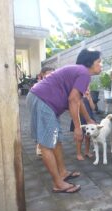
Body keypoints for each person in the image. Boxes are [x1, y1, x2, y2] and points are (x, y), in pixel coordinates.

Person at [26, 48, 102, 193]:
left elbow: (77, 101)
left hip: (43, 100)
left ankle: (62, 173)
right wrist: (78, 128)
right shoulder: (84, 73)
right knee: (46, 144)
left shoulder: (80, 72)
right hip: (43, 100)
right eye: (99, 62)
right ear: (90, 63)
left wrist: (88, 118)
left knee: (56, 140)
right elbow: (72, 100)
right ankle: (58, 183)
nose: (101, 65)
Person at [70, 88, 97, 160]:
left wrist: (89, 98)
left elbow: (93, 108)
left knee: (88, 137)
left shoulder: (88, 97)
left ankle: (87, 152)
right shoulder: (77, 97)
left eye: (88, 88)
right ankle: (78, 154)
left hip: (89, 119)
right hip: (80, 119)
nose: (86, 90)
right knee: (80, 138)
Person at [35, 66, 55, 156]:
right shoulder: (38, 85)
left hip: (52, 110)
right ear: (42, 74)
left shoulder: (54, 84)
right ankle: (39, 147)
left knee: (52, 130)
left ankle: (49, 146)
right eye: (48, 72)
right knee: (42, 128)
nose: (51, 74)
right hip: (41, 110)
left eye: (53, 72)